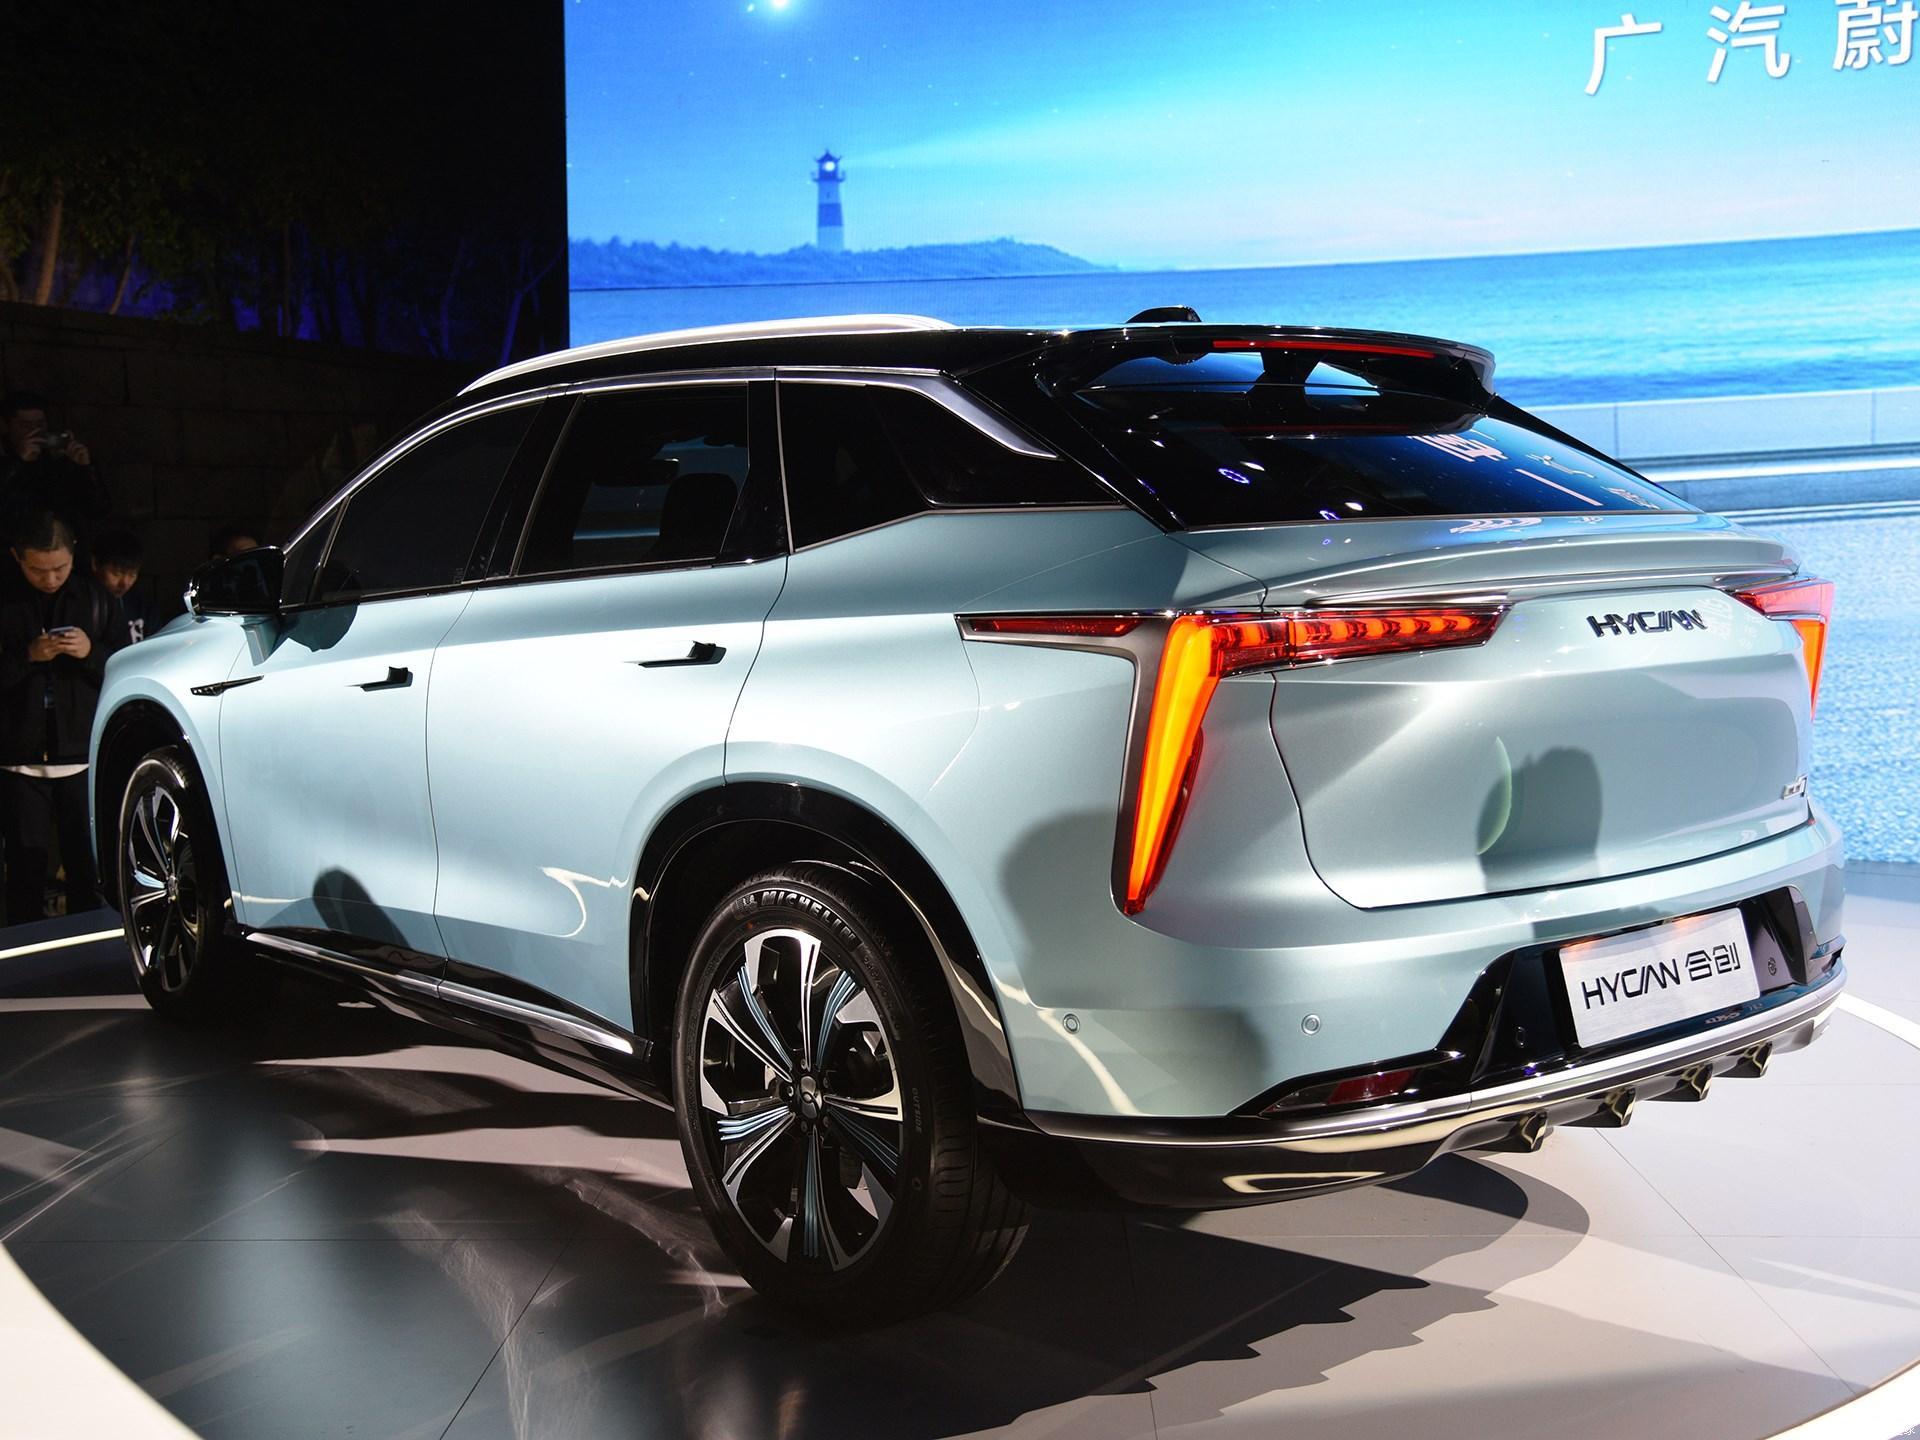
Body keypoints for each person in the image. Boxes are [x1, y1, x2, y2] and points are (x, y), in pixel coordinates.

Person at [0, 509, 127, 922]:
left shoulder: (95, 598)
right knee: (24, 870)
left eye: (60, 568)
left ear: (74, 555)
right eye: (38, 570)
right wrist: (27, 656)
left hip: (81, 754)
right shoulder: (8, 600)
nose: (50, 579)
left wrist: (90, 652)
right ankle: (23, 947)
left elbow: (125, 665)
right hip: (19, 757)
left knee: (87, 868)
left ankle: (89, 944)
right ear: (17, 557)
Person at [0, 391, 111, 553]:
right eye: (25, 426)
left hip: (62, 552)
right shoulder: (6, 465)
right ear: (6, 426)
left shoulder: (59, 462)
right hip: (13, 554)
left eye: (40, 425)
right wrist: (18, 461)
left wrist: (85, 468)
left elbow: (98, 509)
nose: (34, 432)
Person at [91, 529, 152, 645]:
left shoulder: (142, 605)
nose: (125, 583)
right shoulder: (82, 603)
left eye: (132, 575)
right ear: (95, 564)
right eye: (116, 574)